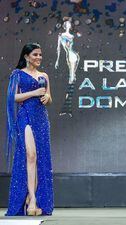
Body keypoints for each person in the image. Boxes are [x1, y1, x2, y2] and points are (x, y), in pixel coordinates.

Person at [6, 43, 54, 216]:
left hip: (41, 119)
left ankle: (32, 199)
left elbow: (49, 100)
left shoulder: (44, 76)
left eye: (40, 55)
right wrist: (33, 93)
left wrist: (47, 96)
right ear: (26, 56)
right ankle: (31, 198)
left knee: (39, 159)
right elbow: (13, 97)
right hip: (25, 116)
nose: (39, 58)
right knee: (30, 155)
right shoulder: (17, 74)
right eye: (35, 55)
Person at [55, 18, 80, 117]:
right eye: (66, 23)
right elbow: (58, 48)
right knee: (71, 80)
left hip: (73, 56)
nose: (68, 24)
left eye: (69, 23)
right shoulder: (61, 35)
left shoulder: (72, 36)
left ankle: (67, 107)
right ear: (64, 26)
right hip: (69, 56)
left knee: (72, 80)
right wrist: (57, 60)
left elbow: (70, 48)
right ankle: (66, 107)